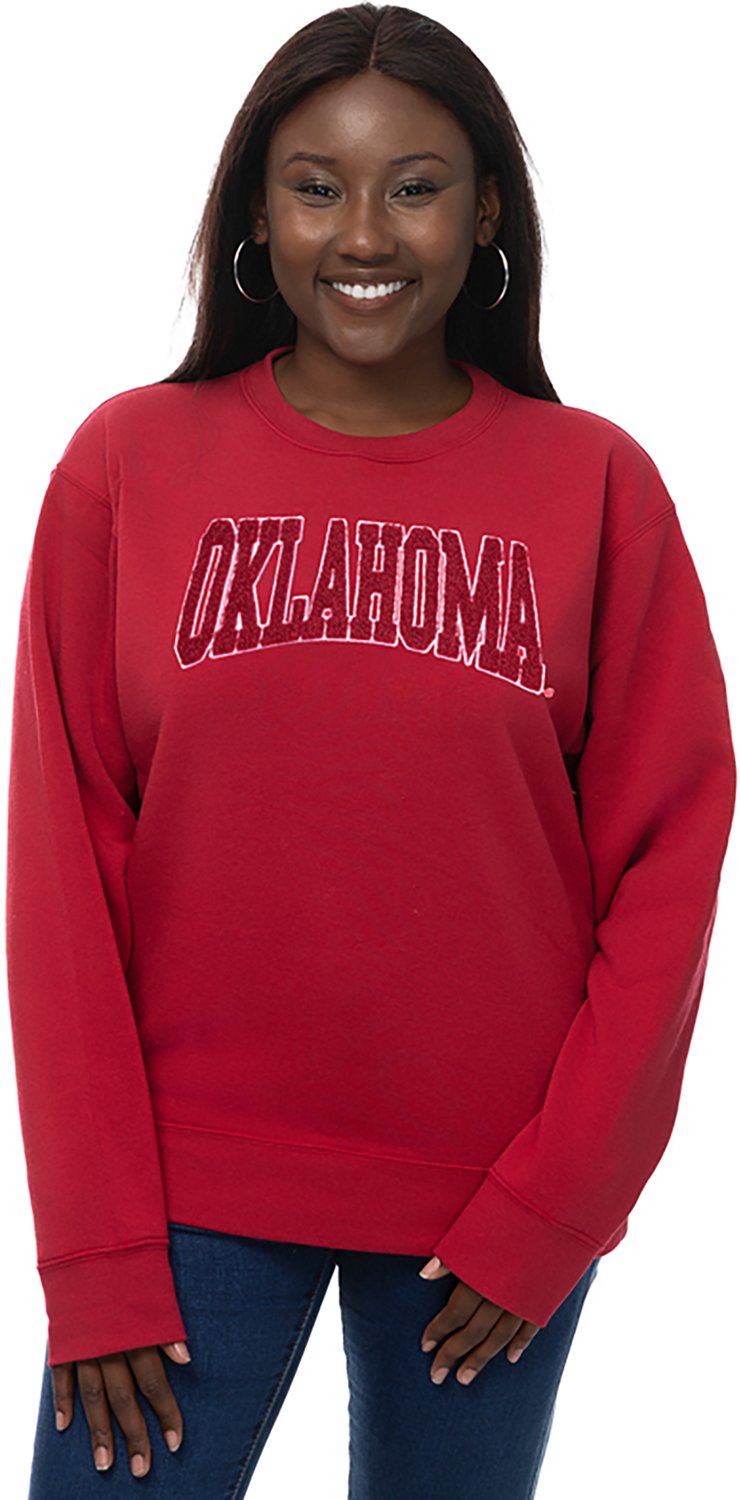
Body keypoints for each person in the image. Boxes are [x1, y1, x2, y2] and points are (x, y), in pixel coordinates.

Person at [5, 5, 736, 1497]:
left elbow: (668, 864)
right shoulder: (127, 464)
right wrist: (93, 1246)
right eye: (314, 185)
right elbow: (58, 870)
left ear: (487, 216)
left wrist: (557, 1207)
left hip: (489, 1213)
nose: (362, 232)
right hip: (181, 1199)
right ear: (254, 216)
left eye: (415, 186)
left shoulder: (599, 485)